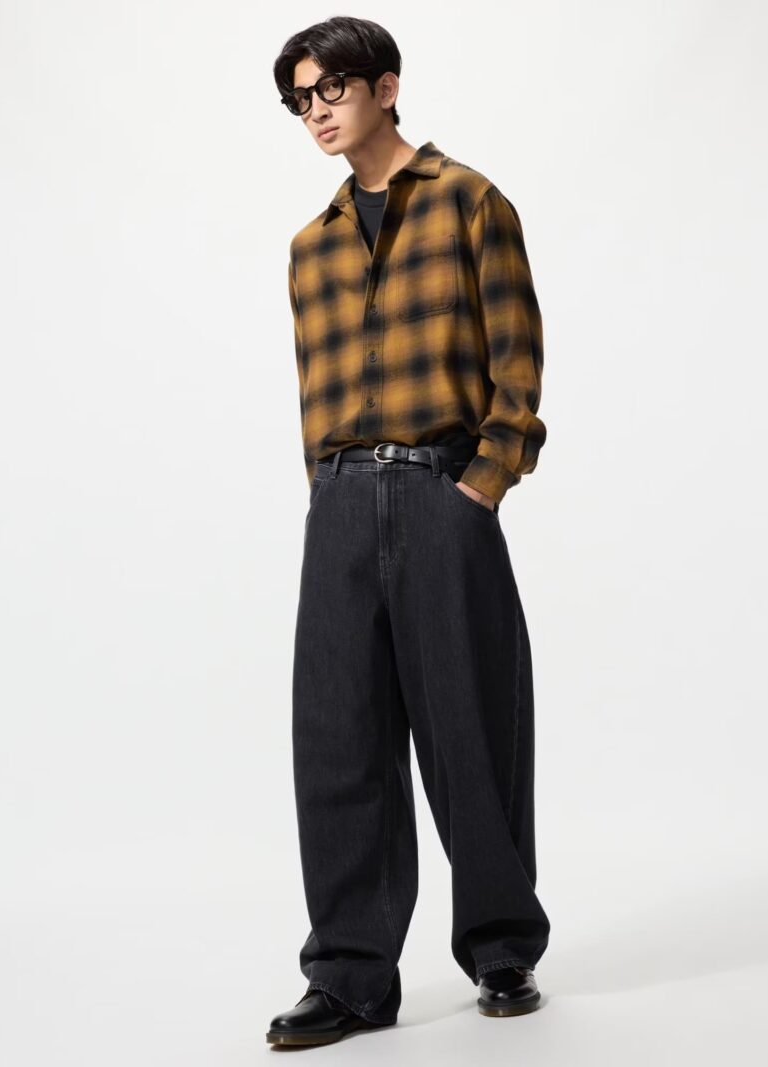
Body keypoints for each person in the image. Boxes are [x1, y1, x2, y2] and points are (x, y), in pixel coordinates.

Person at [267, 15, 551, 1047]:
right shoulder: (310, 249)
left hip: (443, 489)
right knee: (337, 738)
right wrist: (326, 489)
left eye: (330, 89)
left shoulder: (470, 201)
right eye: (299, 99)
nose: (315, 111)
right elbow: (314, 392)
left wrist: (482, 483)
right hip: (340, 503)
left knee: (471, 726)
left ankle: (501, 945)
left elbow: (516, 361)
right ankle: (350, 975)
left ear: (385, 86)